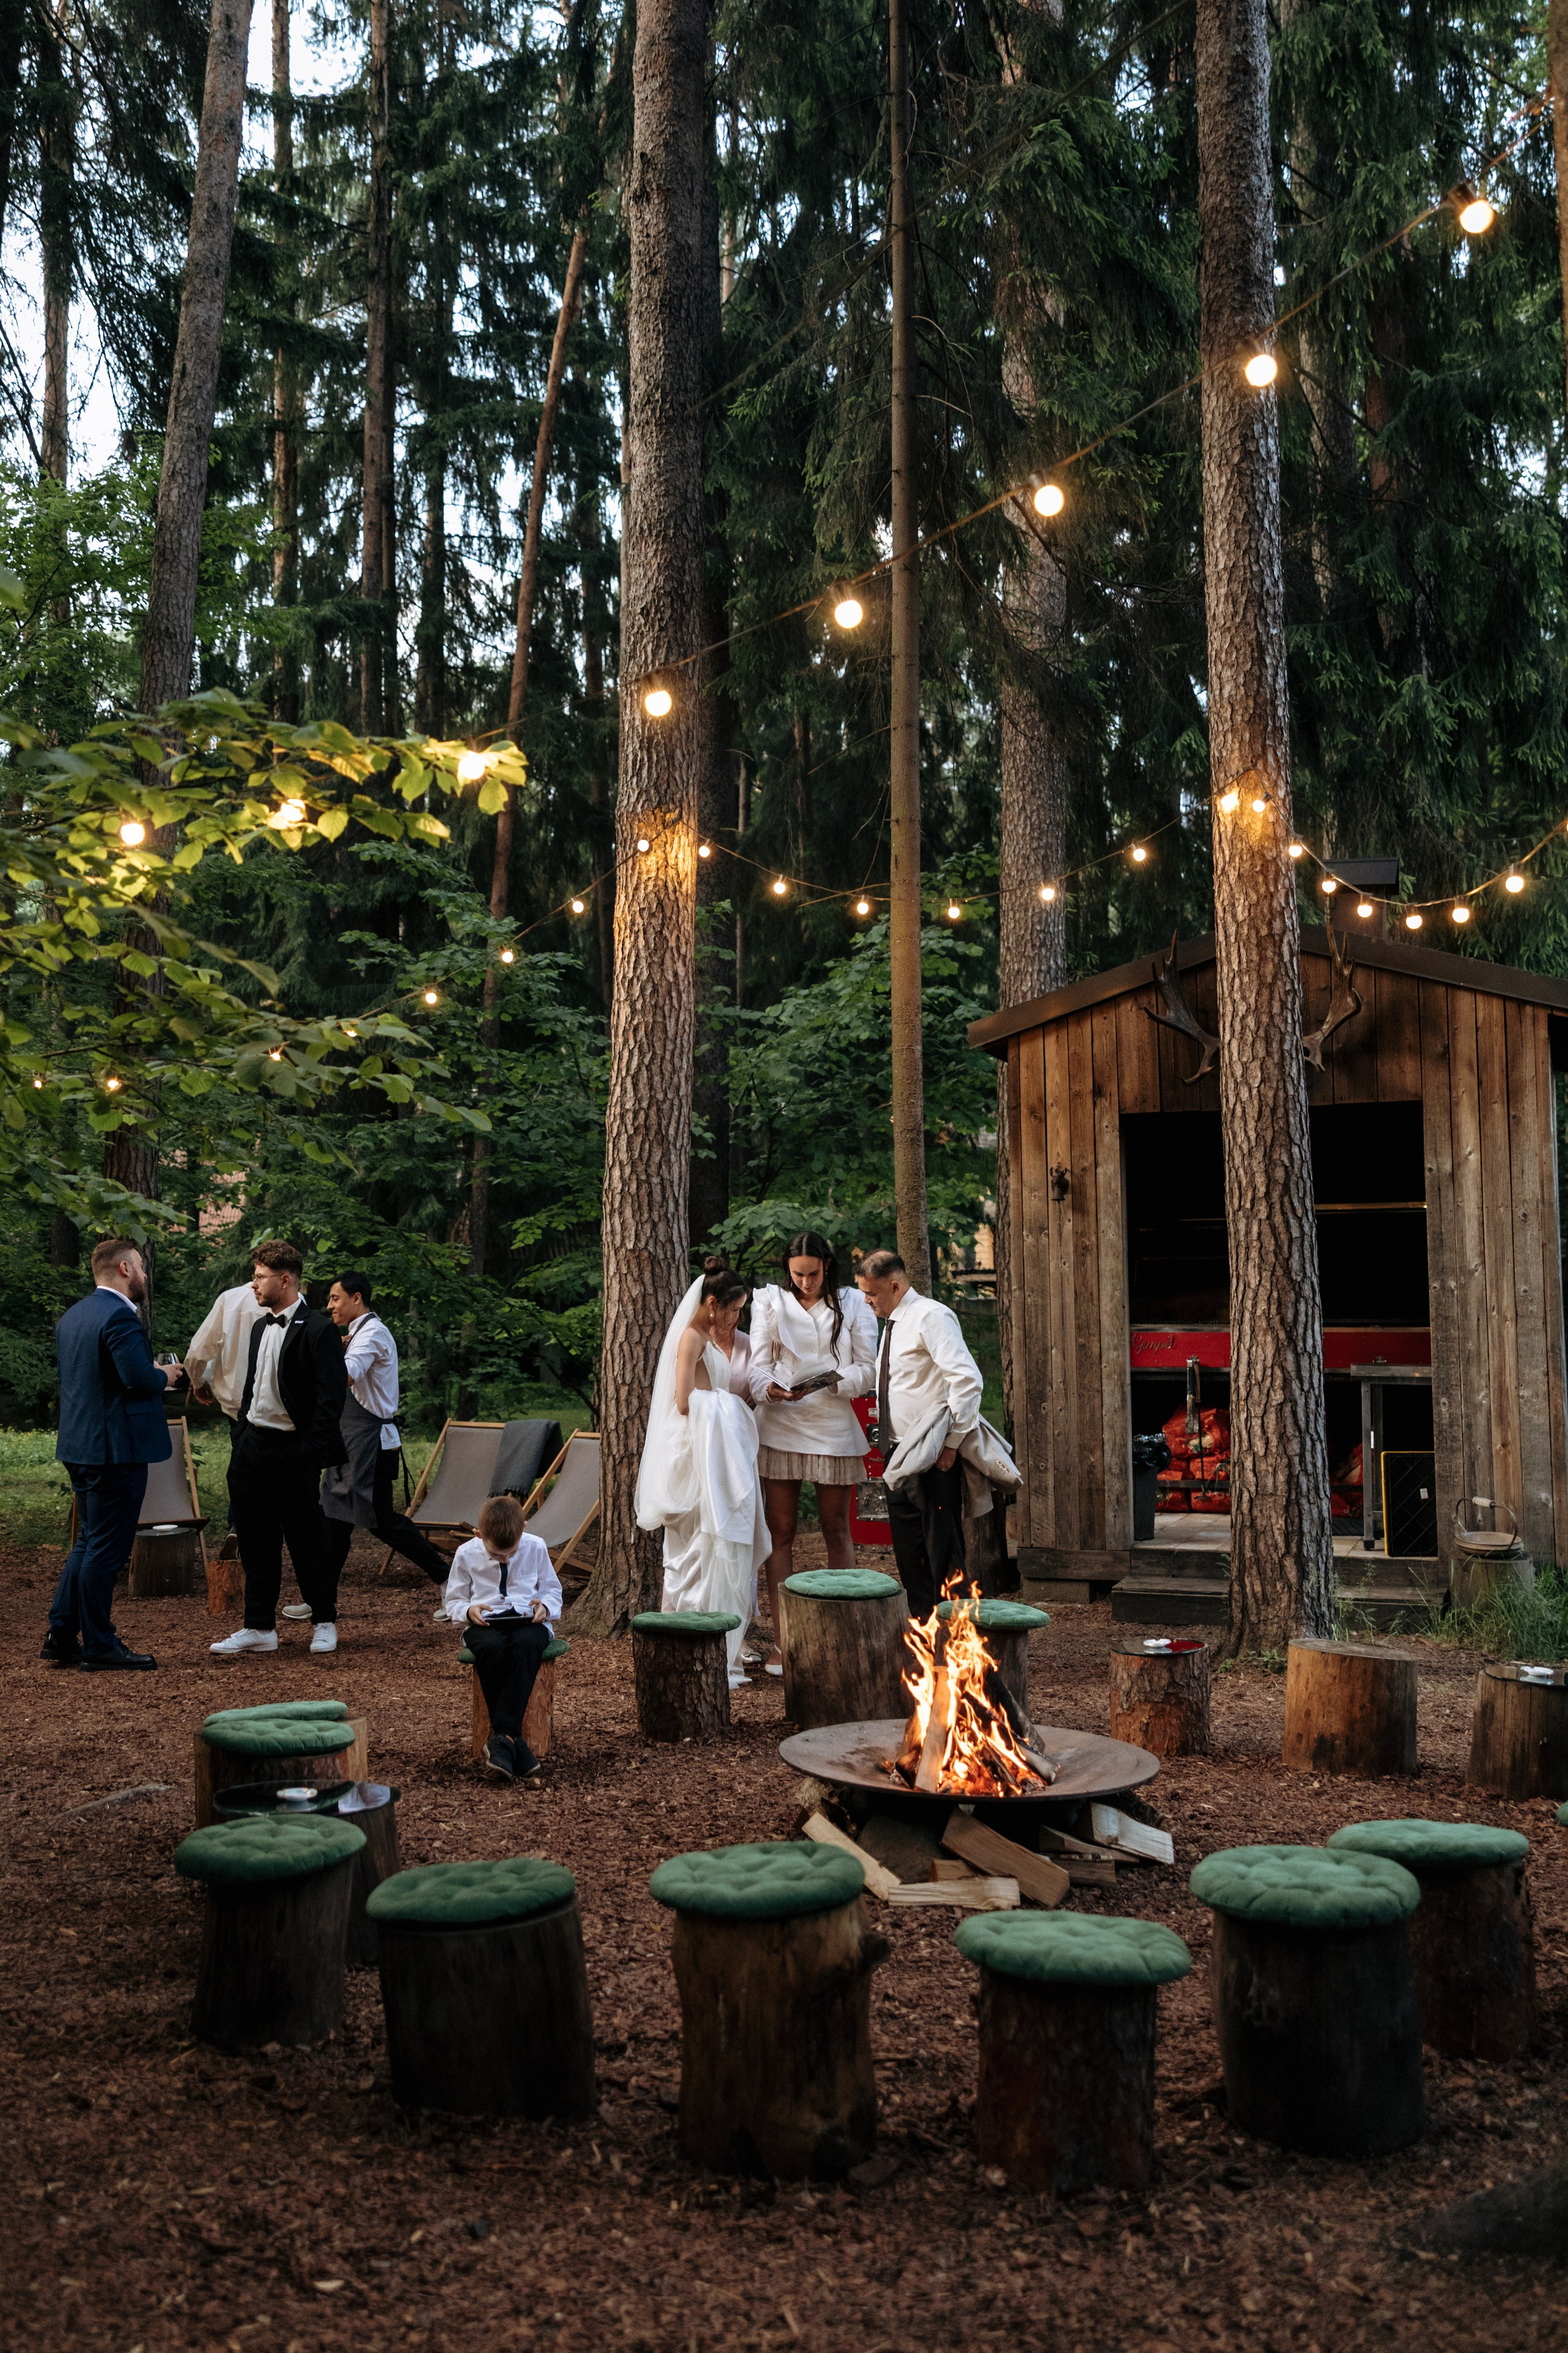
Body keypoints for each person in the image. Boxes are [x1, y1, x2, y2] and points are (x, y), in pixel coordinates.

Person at [43, 1237, 183, 1671]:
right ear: (124, 1268)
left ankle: (62, 1635)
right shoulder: (120, 1317)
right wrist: (167, 1374)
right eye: (140, 1266)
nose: (144, 1274)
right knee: (106, 1549)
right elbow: (136, 1377)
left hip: (80, 1445)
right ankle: (100, 1644)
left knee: (88, 1542)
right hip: (115, 1450)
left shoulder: (74, 1315)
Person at [209, 1240, 348, 1660]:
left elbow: (330, 1401)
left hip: (294, 1450)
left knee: (307, 1539)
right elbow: (255, 1387)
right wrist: (243, 1437)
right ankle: (259, 1627)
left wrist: (307, 1452)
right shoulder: (257, 1326)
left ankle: (324, 1621)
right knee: (255, 1540)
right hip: (252, 1447)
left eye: (260, 1277)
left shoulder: (320, 1330)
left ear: (285, 1279)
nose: (253, 1284)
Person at [635, 1255, 769, 1687]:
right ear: (713, 1303)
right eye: (733, 1309)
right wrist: (729, 1406)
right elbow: (682, 1399)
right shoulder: (691, 1338)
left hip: (713, 1448)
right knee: (694, 1546)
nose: (737, 1317)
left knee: (712, 1545)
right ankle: (689, 1637)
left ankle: (714, 1638)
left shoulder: (708, 1336)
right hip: (694, 1451)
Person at [747, 1230, 877, 1672]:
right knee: (779, 1531)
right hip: (782, 1423)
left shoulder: (853, 1303)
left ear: (828, 1266)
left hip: (833, 1423)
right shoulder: (768, 1301)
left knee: (835, 1527)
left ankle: (845, 1635)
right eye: (797, 1274)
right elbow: (758, 1365)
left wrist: (838, 1380)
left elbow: (870, 1366)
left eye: (814, 1274)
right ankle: (787, 1643)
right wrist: (770, 1389)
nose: (805, 1282)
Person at [855, 1247, 984, 1618]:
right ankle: (924, 1636)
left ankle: (959, 1639)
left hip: (932, 1453)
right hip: (896, 1453)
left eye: (871, 1293)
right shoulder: (893, 1324)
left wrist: (952, 1443)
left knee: (942, 1551)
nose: (867, 1302)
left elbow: (967, 1381)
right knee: (910, 1554)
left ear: (895, 1286)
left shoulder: (931, 1317)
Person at [317, 1272, 450, 1596]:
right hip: (350, 1441)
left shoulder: (372, 1334)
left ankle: (449, 1580)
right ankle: (320, 1598)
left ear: (357, 1298)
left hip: (372, 1445)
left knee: (382, 1522)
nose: (330, 1306)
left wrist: (323, 1347)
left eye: (336, 1298)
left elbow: (346, 1377)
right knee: (334, 1519)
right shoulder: (357, 1333)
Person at [444, 1492, 560, 1782]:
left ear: (524, 1529)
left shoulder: (536, 1547)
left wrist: (545, 1607)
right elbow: (454, 1601)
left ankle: (502, 1740)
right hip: (486, 1625)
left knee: (527, 1646)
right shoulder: (465, 1553)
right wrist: (469, 1610)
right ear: (478, 1534)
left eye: (511, 1552)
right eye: (497, 1555)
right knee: (492, 1649)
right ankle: (513, 1743)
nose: (505, 1558)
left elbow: (552, 1590)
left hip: (527, 1622)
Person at [184, 1277, 266, 1560]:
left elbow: (199, 1349)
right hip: (275, 1404)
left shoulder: (231, 1299)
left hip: (236, 1402)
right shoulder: (294, 1301)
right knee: (265, 1467)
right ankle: (252, 1529)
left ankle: (240, 1525)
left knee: (244, 1462)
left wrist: (197, 1381)